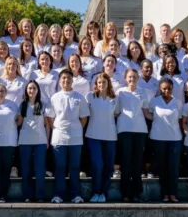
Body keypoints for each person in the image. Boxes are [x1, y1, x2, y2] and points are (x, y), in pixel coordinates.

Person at [44, 69, 90, 203]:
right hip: (59, 138)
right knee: (60, 167)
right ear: (60, 80)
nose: (66, 81)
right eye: (63, 78)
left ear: (72, 80)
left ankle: (75, 194)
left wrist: (74, 129)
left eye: (69, 78)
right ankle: (58, 194)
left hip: (75, 138)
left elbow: (83, 118)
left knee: (75, 167)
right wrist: (59, 129)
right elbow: (50, 119)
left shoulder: (79, 97)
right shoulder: (55, 97)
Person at [146, 78, 184, 203]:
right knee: (162, 168)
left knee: (173, 168)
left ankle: (173, 194)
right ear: (160, 89)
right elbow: (148, 114)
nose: (166, 90)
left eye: (169, 88)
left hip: (174, 139)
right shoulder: (154, 102)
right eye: (164, 88)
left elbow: (180, 120)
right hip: (158, 138)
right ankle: (164, 194)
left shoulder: (177, 103)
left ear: (172, 88)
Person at [115, 69, 149, 202]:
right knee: (126, 161)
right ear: (125, 78)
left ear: (138, 78)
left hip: (140, 130)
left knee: (137, 162)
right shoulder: (120, 92)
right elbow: (117, 111)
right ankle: (125, 193)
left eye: (134, 77)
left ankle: (136, 193)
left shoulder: (142, 92)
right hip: (124, 129)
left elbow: (146, 111)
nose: (132, 79)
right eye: (129, 77)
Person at [85, 73, 118, 203]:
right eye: (99, 82)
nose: (101, 85)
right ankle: (95, 192)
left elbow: (117, 113)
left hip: (110, 136)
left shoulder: (114, 98)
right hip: (93, 135)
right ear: (96, 84)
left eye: (104, 82)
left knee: (108, 166)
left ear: (108, 83)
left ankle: (103, 193)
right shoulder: (90, 97)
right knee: (97, 164)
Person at [17, 81, 50, 202]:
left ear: (38, 90)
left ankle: (40, 195)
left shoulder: (43, 105)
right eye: (29, 88)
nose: (32, 90)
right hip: (25, 141)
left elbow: (47, 125)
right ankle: (27, 195)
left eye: (34, 88)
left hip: (40, 140)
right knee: (26, 170)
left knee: (40, 170)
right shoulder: (22, 105)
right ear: (26, 90)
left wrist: (47, 140)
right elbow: (19, 123)